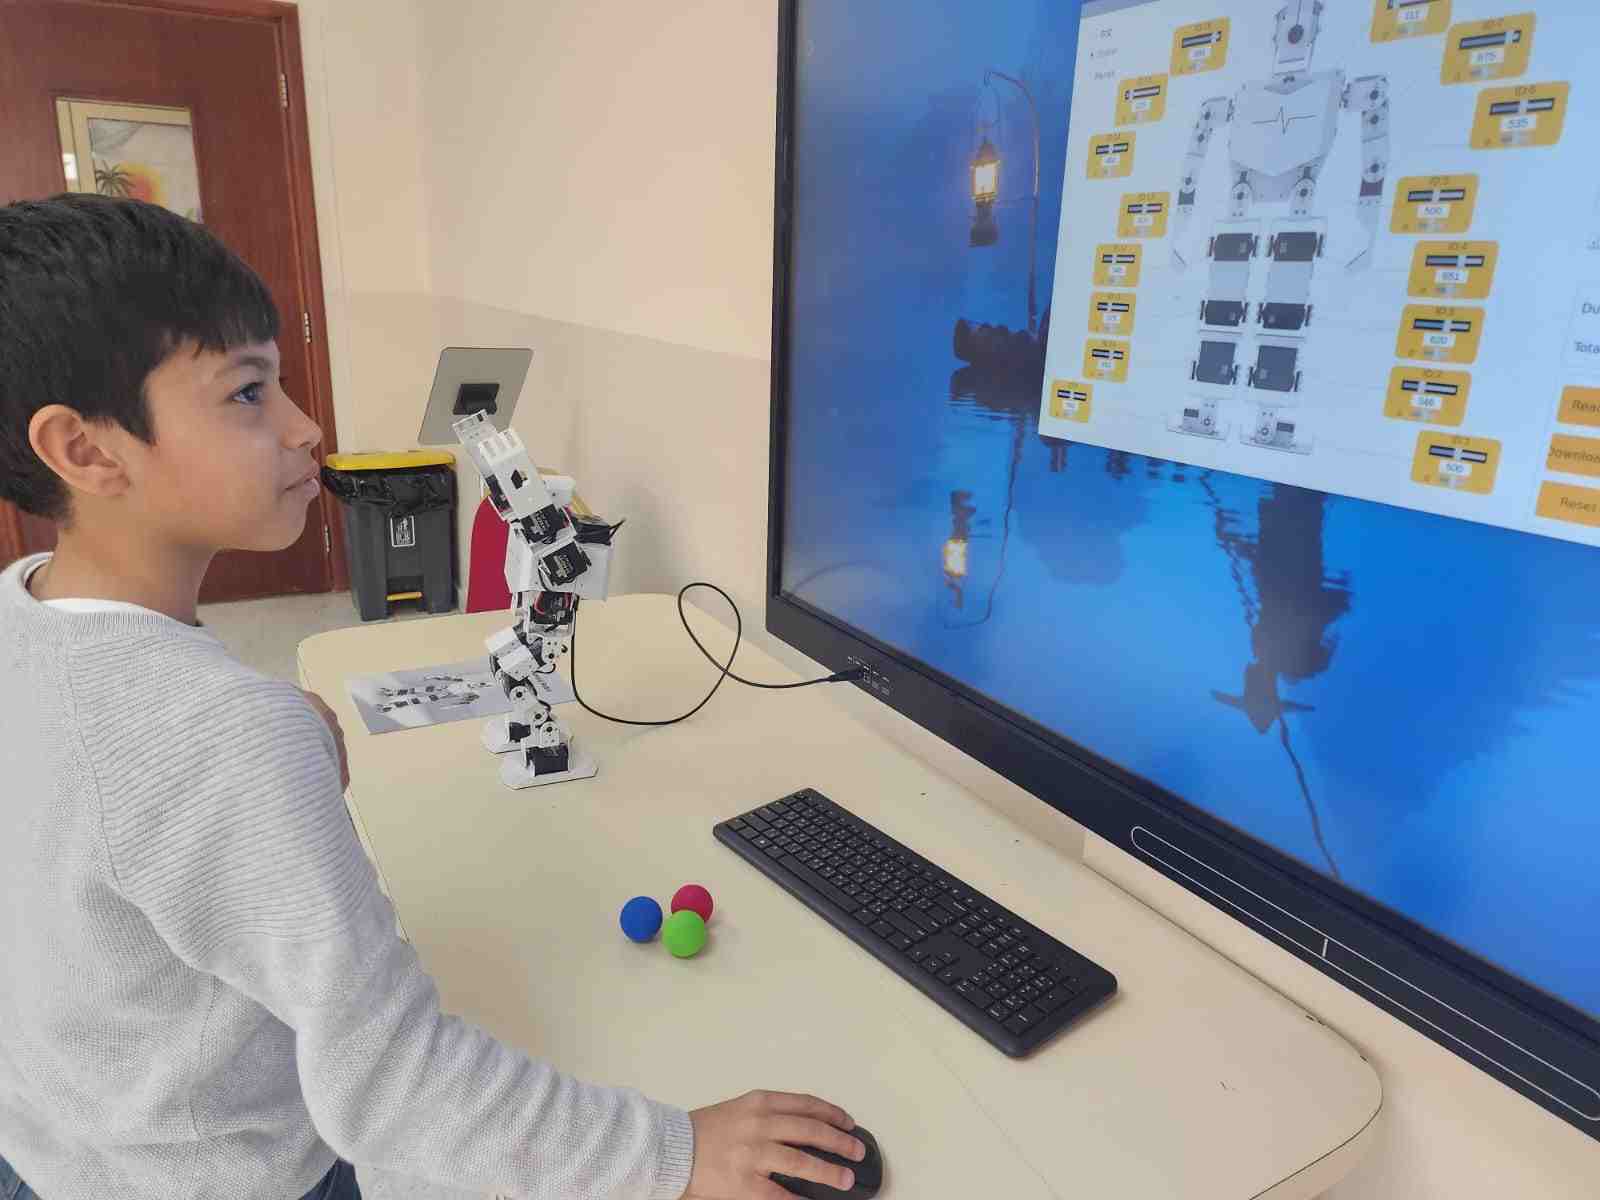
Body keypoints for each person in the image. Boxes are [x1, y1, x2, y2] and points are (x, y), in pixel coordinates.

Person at [0, 194, 864, 1200]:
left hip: (56, 1149)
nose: (304, 427)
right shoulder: (221, 735)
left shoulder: (26, 612)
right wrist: (675, 1154)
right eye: (247, 394)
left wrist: (261, 755)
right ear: (86, 450)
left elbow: (103, 800)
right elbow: (396, 1086)